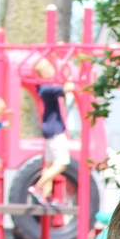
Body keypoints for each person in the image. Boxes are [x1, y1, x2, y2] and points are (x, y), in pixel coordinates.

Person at [29, 58, 75, 206]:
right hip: (55, 130)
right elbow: (69, 88)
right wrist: (69, 75)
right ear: (44, 72)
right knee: (62, 162)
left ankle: (45, 195)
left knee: (49, 164)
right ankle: (38, 187)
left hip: (50, 129)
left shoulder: (43, 88)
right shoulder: (47, 89)